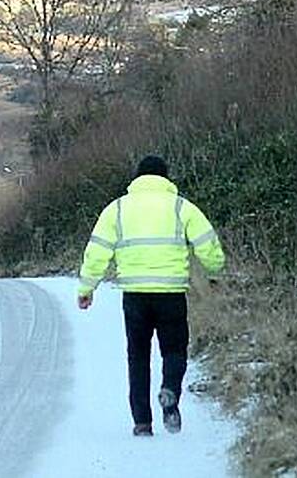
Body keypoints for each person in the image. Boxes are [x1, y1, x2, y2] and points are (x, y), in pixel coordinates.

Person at [77, 155, 225, 437]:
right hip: (171, 294)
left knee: (138, 356)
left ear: (137, 178)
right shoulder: (182, 207)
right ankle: (169, 390)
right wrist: (215, 270)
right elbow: (207, 243)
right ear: (166, 178)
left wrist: (87, 288)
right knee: (174, 350)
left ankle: (142, 422)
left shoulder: (117, 209)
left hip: (134, 296)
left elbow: (96, 251)